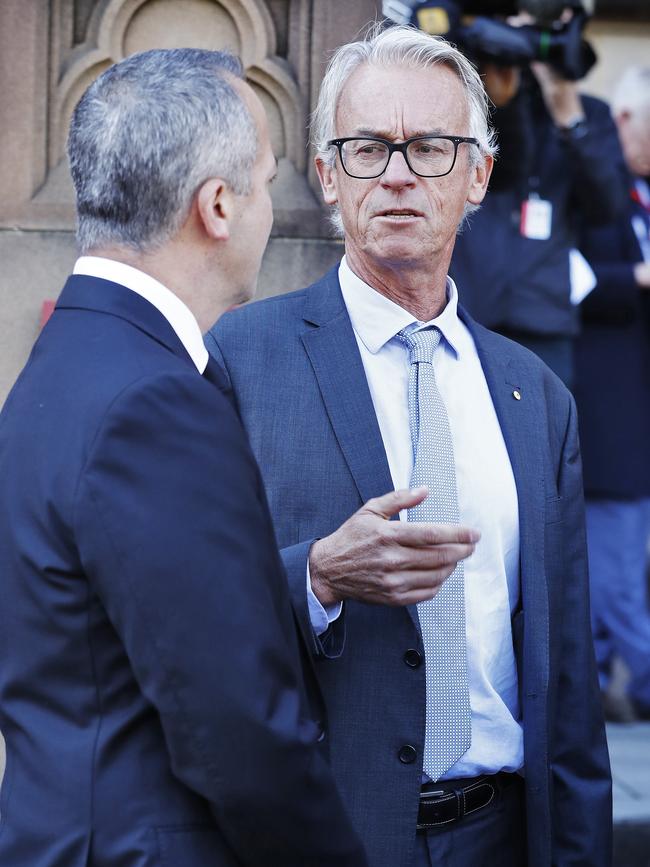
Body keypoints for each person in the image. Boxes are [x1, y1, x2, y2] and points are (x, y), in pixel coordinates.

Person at [206, 24, 611, 867]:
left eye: (429, 147)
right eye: (365, 149)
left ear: (477, 175)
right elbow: (173, 608)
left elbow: (567, 688)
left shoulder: (538, 398)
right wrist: (315, 575)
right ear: (326, 176)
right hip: (314, 836)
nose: (395, 173)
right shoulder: (240, 359)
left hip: (501, 833)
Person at [0, 48, 368, 867]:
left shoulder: (59, 368)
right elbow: (241, 733)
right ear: (218, 207)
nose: (272, 205)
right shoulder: (153, 402)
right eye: (268, 181)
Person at [449, 3, 627, 389]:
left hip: (544, 320)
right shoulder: (478, 104)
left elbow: (608, 207)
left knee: (542, 442)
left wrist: (570, 116)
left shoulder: (592, 114)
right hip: (470, 310)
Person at [574, 65, 650, 722]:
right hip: (608, 406)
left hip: (634, 410)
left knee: (616, 561)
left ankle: (596, 679)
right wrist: (636, 276)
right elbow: (559, 275)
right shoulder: (592, 185)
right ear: (624, 120)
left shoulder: (642, 186)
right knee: (619, 562)